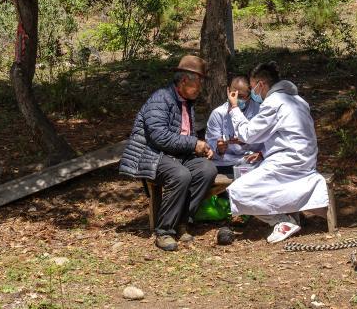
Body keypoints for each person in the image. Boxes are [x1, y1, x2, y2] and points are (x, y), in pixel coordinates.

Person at [119, 54, 218, 251]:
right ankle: (164, 231)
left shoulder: (186, 102)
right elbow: (159, 136)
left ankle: (181, 221)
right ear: (184, 81)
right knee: (180, 175)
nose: (200, 89)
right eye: (198, 84)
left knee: (207, 170)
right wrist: (193, 144)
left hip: (176, 155)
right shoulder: (161, 99)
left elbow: (185, 135)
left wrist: (202, 147)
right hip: (151, 155)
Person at [225, 61, 329, 244]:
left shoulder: (274, 102)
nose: (253, 93)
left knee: (238, 190)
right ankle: (290, 216)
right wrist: (264, 153)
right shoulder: (299, 101)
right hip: (305, 161)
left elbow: (248, 134)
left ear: (261, 84)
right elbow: (287, 135)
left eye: (252, 87)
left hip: (287, 163)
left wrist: (234, 109)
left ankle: (281, 221)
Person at [206, 75, 263, 177]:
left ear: (250, 94)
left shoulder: (259, 111)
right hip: (225, 163)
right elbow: (211, 145)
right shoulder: (218, 114)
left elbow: (265, 141)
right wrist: (219, 149)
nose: (236, 100)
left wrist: (246, 142)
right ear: (228, 91)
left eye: (241, 96)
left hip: (252, 161)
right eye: (233, 95)